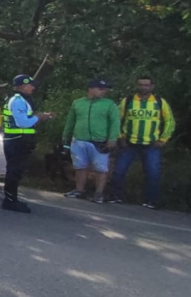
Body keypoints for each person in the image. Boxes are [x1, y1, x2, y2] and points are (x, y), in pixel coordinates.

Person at [111, 76, 175, 209]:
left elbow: (170, 121)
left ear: (152, 87)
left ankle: (151, 201)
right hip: (129, 143)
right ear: (136, 85)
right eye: (140, 85)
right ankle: (115, 197)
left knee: (153, 173)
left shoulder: (159, 102)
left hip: (151, 144)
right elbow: (116, 119)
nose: (143, 87)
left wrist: (163, 139)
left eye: (146, 85)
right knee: (119, 171)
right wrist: (120, 137)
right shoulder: (128, 100)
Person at [2, 74, 56, 213]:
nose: (33, 88)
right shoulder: (18, 101)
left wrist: (40, 117)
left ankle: (12, 198)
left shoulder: (21, 100)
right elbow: (23, 123)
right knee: (14, 171)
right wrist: (38, 117)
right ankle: (9, 200)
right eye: (30, 85)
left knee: (16, 171)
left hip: (19, 140)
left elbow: (26, 119)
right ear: (22, 86)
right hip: (16, 140)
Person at [62, 79, 121, 204]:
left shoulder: (109, 104)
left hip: (100, 141)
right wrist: (66, 135)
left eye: (105, 89)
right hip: (79, 139)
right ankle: (79, 190)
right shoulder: (78, 103)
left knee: (101, 168)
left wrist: (112, 138)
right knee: (80, 166)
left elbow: (115, 123)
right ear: (91, 89)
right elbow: (71, 120)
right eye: (100, 89)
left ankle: (99, 193)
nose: (104, 91)